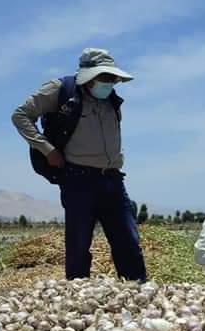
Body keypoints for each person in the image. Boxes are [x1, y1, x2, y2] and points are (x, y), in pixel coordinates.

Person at [12, 48, 147, 281]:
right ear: (88, 77)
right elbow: (21, 115)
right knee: (78, 245)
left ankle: (138, 292)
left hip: (113, 180)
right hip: (78, 180)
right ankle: (77, 298)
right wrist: (47, 149)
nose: (108, 83)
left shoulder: (112, 101)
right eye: (103, 78)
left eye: (111, 78)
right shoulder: (61, 91)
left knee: (128, 242)